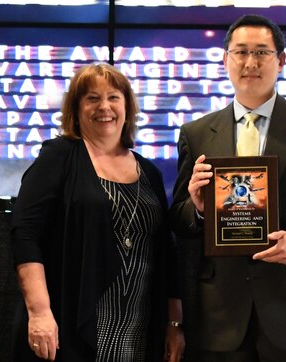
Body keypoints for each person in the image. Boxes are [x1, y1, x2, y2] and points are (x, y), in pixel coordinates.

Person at [170, 14, 286, 361]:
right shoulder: (196, 133)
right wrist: (197, 208)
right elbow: (179, 221)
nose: (250, 62)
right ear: (225, 60)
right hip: (222, 317)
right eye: (240, 52)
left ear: (280, 60)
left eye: (262, 53)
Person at [10, 63, 185, 361]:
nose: (104, 107)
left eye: (113, 97)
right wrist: (38, 312)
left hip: (140, 328)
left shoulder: (150, 172)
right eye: (92, 98)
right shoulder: (59, 157)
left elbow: (166, 255)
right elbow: (25, 234)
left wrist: (174, 324)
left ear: (127, 107)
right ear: (76, 110)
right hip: (73, 327)